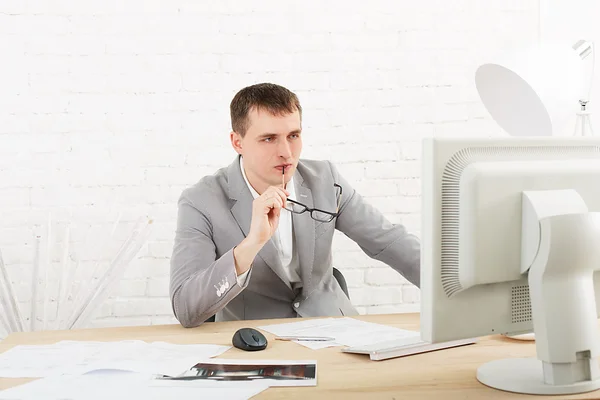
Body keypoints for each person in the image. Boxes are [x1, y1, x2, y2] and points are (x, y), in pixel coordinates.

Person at [169, 83, 420, 328]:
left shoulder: (325, 179)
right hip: (257, 339)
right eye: (269, 139)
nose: (287, 153)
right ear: (237, 142)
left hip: (335, 328)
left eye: (293, 136)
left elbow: (389, 241)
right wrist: (251, 244)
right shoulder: (201, 201)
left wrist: (451, 289)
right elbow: (186, 308)